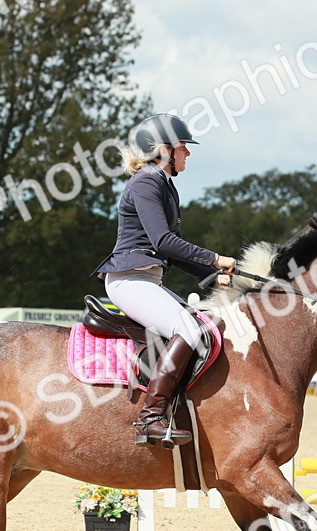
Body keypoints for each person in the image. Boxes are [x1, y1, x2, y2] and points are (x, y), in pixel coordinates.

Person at [93, 113, 236, 446]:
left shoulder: (165, 187)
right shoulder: (146, 183)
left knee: (201, 326)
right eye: (183, 147)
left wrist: (216, 276)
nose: (188, 153)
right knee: (186, 329)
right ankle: (151, 417)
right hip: (128, 281)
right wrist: (214, 258)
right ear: (161, 150)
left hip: (147, 280)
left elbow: (172, 254)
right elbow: (163, 242)